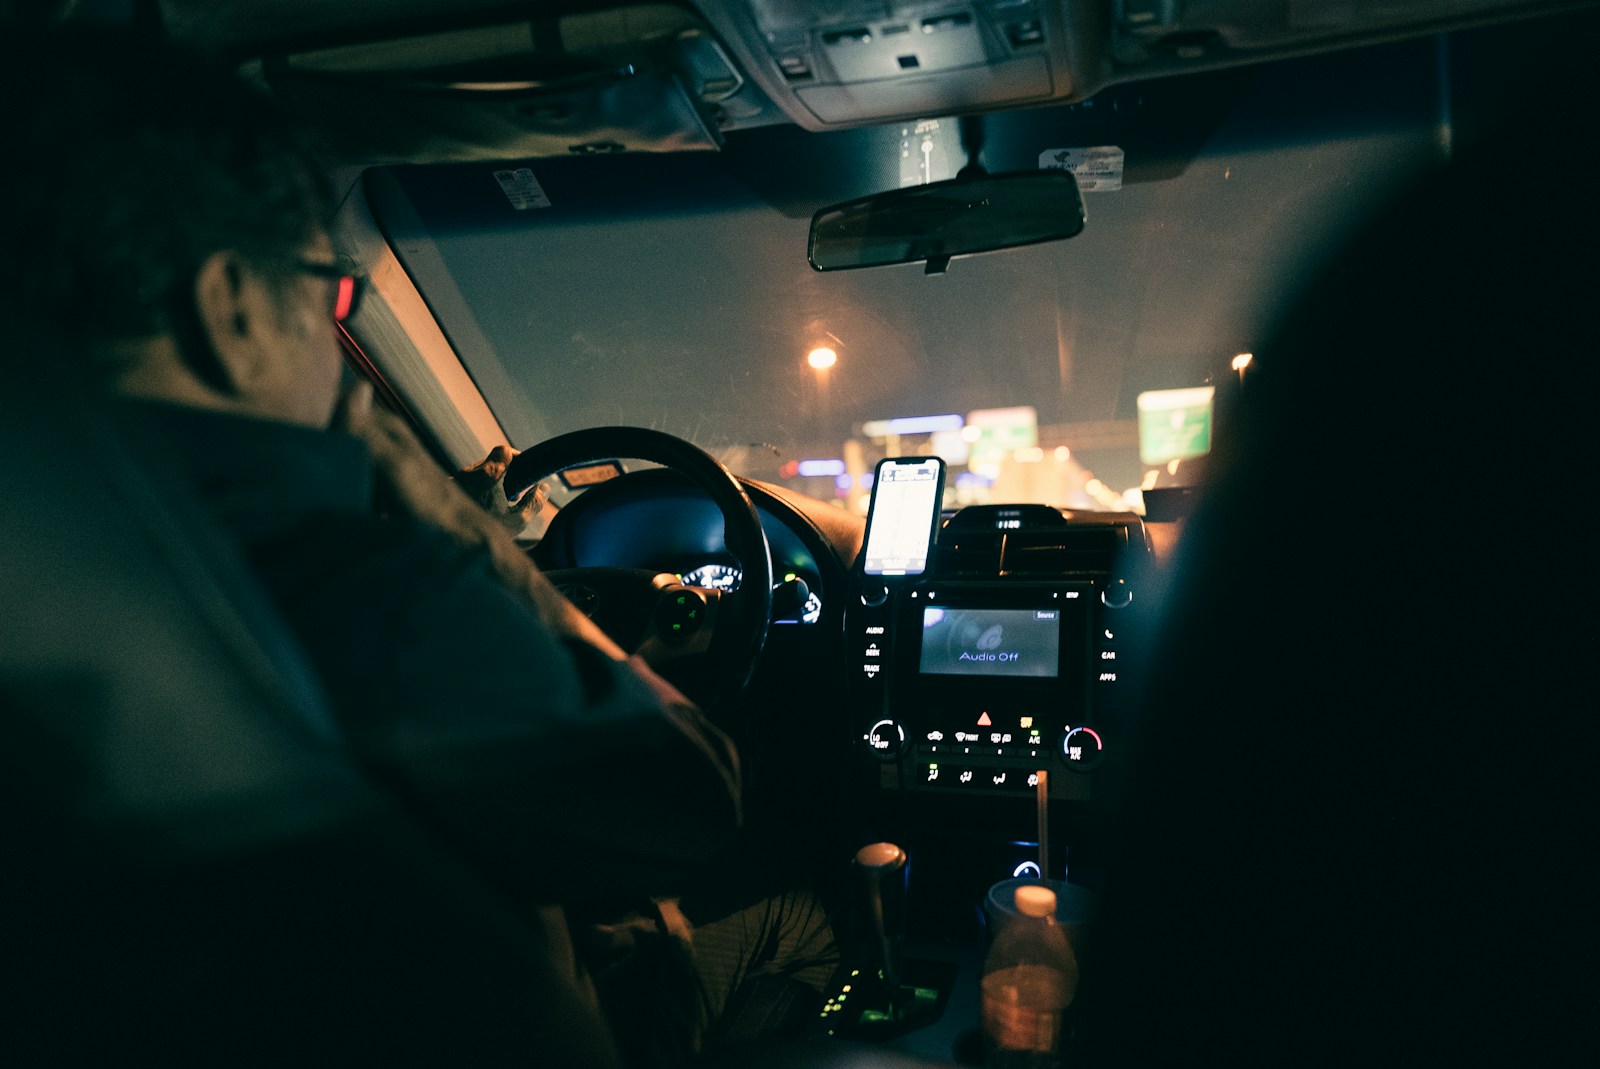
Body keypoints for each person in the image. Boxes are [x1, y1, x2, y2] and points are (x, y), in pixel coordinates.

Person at [0, 22, 833, 1067]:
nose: (335, 339)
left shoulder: (59, 576)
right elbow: (692, 803)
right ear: (230, 311)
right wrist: (435, 508)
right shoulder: (356, 589)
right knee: (801, 916)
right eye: (331, 294)